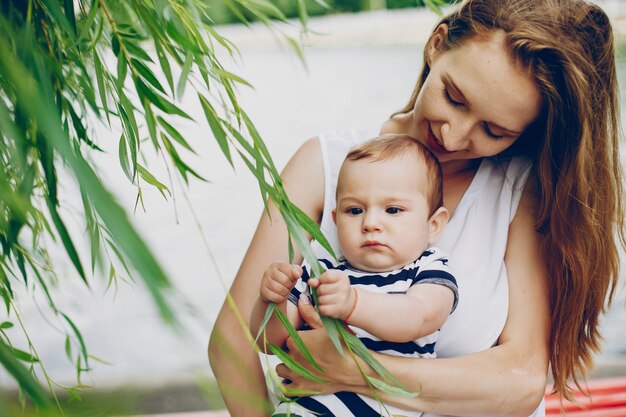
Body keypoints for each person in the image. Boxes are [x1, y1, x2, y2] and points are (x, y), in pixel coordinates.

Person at [209, 0, 625, 416]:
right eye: (454, 97)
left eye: (494, 131)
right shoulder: (324, 164)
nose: (455, 136)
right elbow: (234, 340)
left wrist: (354, 370)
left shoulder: (522, 190)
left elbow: (521, 381)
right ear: (436, 45)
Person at [249, 135, 459, 417]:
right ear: (336, 221)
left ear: (433, 225)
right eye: (355, 210)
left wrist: (353, 304)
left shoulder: (428, 269)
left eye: (393, 210)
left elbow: (418, 317)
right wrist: (270, 301)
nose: (371, 223)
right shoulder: (321, 272)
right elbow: (269, 343)